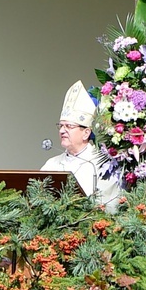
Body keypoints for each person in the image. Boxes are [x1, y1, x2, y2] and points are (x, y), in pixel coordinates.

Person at [41, 80, 120, 209]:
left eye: (69, 126)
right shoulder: (51, 164)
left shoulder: (102, 164)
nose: (62, 130)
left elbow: (109, 205)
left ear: (86, 133)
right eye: (60, 126)